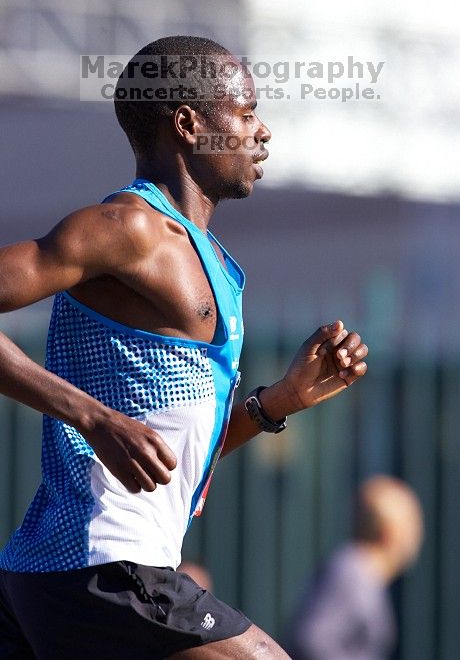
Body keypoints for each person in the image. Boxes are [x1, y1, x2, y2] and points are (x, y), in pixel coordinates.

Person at [0, 36, 369, 659]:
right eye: (246, 114)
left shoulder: (212, 262)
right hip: (98, 568)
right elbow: (114, 434)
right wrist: (90, 415)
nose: (264, 132)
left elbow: (163, 457)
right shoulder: (128, 228)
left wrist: (278, 401)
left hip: (78, 576)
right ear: (190, 124)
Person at [287, 475, 424, 660]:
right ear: (389, 531)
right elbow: (310, 639)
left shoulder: (362, 573)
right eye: (412, 526)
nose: (417, 536)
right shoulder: (352, 572)